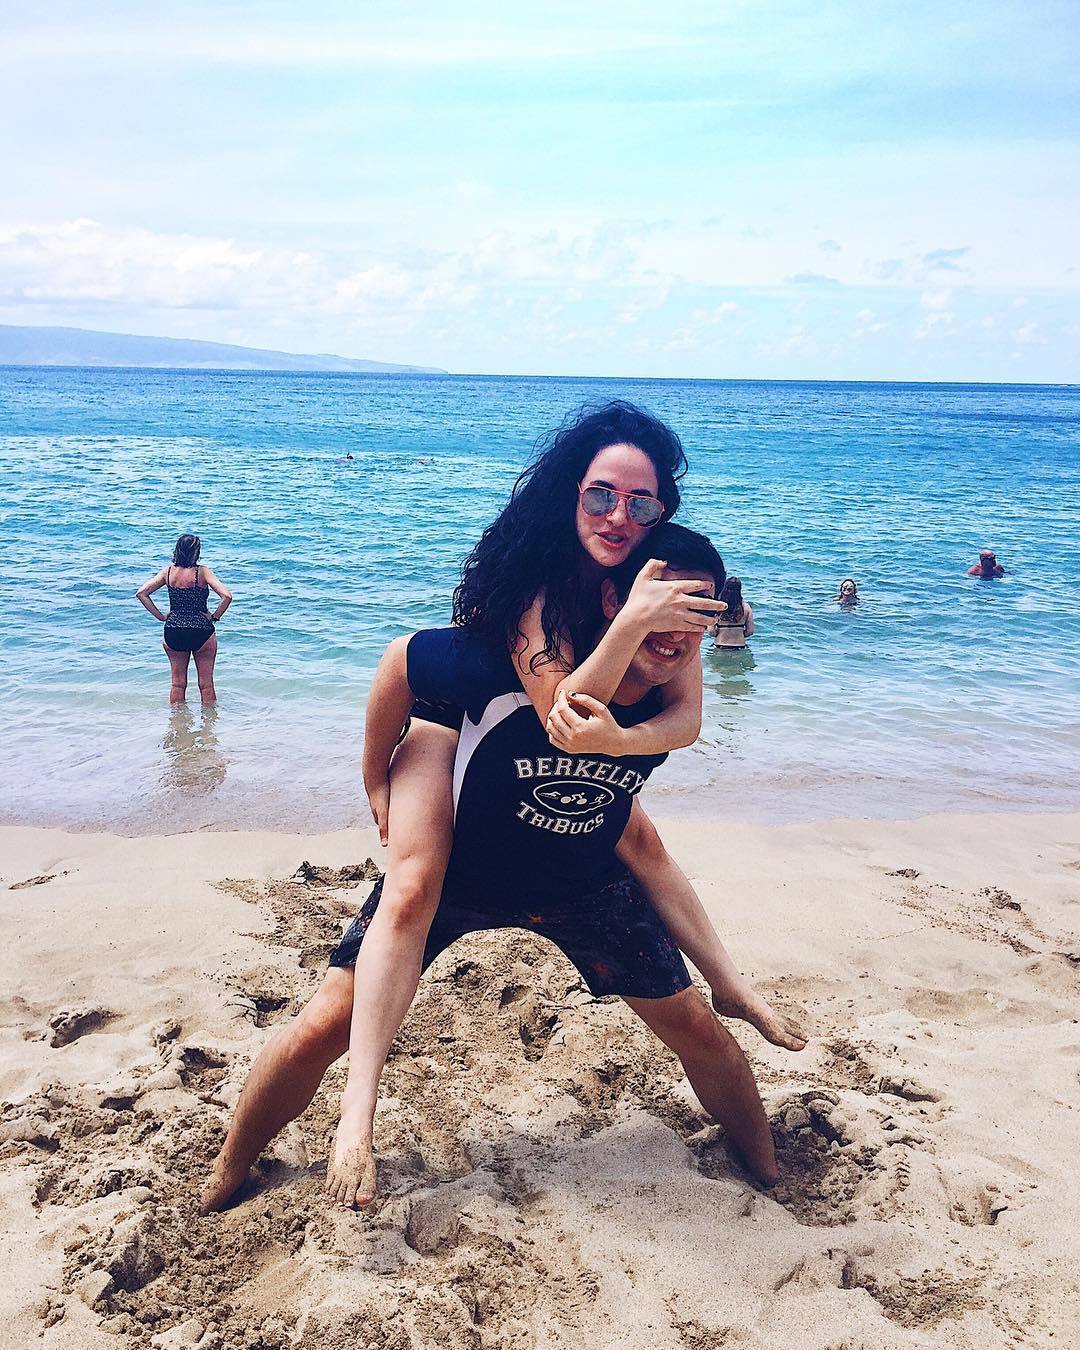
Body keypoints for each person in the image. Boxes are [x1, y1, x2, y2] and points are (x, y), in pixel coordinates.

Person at [201, 526, 785, 1215]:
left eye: (699, 612)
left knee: (697, 1025)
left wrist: (728, 982)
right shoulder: (512, 666)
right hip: (462, 870)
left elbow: (641, 840)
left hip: (579, 877)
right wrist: (375, 777)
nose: (679, 629)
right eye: (663, 606)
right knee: (324, 1025)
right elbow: (402, 662)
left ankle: (770, 1172)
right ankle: (231, 1165)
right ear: (614, 601)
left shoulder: (669, 690)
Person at [325, 401, 801, 1208]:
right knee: (413, 884)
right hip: (458, 718)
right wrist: (374, 776)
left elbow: (680, 720)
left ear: (661, 513)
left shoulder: (664, 589)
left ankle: (762, 1134)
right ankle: (354, 1117)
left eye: (641, 503)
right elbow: (426, 670)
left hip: (564, 771)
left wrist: (624, 729)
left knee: (639, 844)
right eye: (600, 496)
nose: (619, 516)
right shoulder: (540, 590)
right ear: (571, 494)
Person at [135, 535, 232, 705]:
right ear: (196, 552)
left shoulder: (168, 572)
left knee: (177, 684)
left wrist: (161, 617)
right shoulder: (202, 572)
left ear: (177, 550)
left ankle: (177, 719)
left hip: (174, 630)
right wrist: (214, 617)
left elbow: (142, 593)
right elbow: (227, 596)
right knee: (206, 684)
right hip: (201, 631)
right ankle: (209, 720)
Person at [711, 576, 755, 649]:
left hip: (720, 645)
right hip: (739, 646)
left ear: (724, 588)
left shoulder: (718, 607)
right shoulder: (746, 607)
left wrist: (719, 633)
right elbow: (750, 631)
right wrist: (739, 634)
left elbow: (711, 631)